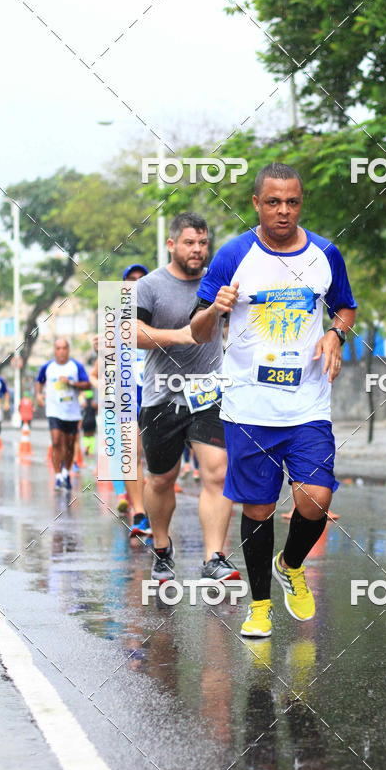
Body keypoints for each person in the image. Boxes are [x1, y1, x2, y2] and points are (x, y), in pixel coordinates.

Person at [190, 163, 357, 637]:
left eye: (292, 202)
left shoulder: (325, 252)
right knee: (259, 509)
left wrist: (334, 335)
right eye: (273, 202)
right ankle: (259, 605)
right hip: (248, 408)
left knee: (315, 499)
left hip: (307, 405)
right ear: (256, 204)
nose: (283, 211)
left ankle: (291, 563)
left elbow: (345, 306)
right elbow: (197, 327)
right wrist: (215, 311)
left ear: (300, 203)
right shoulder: (232, 255)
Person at [136, 213, 238, 582]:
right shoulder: (149, 286)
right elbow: (130, 333)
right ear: (172, 244)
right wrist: (184, 335)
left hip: (209, 393)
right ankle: (162, 547)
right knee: (162, 478)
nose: (198, 250)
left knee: (218, 471)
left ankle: (214, 557)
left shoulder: (218, 283)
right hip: (161, 397)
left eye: (203, 243)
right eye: (190, 243)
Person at [35, 338, 92, 490]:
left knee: (69, 444)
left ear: (68, 350)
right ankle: (58, 476)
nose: (61, 351)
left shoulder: (76, 366)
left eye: (64, 348)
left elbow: (87, 384)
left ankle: (66, 472)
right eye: (58, 348)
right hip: (54, 410)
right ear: (55, 350)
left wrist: (71, 383)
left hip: (72, 411)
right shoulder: (48, 366)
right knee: (55, 441)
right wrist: (39, 395)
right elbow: (39, 381)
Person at [122, 263, 151, 537]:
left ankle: (152, 508)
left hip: (158, 390)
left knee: (157, 459)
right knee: (131, 454)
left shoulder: (159, 312)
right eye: (131, 280)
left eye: (142, 280)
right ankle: (140, 514)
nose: (136, 284)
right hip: (128, 394)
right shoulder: (114, 320)